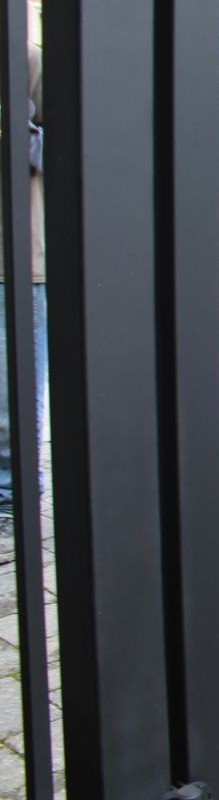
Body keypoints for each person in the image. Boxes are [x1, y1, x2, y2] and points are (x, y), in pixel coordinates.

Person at [0, 42, 46, 554]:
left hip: (18, 264)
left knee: (12, 398)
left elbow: (64, 149)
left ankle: (12, 501)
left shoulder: (27, 61)